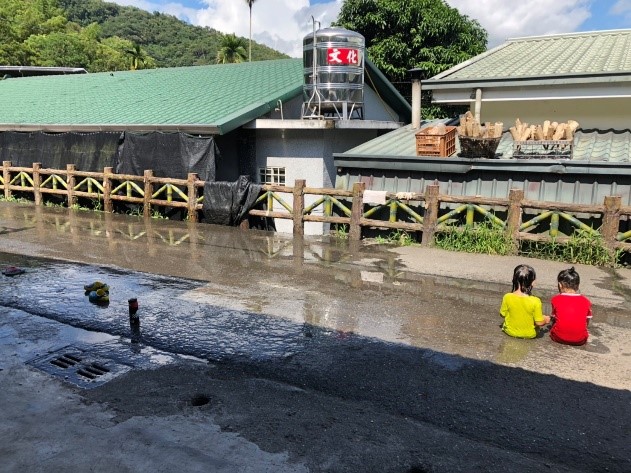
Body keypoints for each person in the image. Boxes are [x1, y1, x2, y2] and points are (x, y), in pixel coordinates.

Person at [500, 264, 550, 339]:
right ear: (533, 282)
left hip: (510, 332)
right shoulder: (535, 301)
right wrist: (545, 320)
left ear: (513, 279)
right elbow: (539, 322)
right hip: (529, 334)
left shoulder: (507, 297)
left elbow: (502, 315)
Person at [549, 267, 592, 346]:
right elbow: (587, 322)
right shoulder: (586, 301)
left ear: (560, 285)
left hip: (558, 337)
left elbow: (554, 318)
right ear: (578, 285)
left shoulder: (555, 299)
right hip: (580, 340)